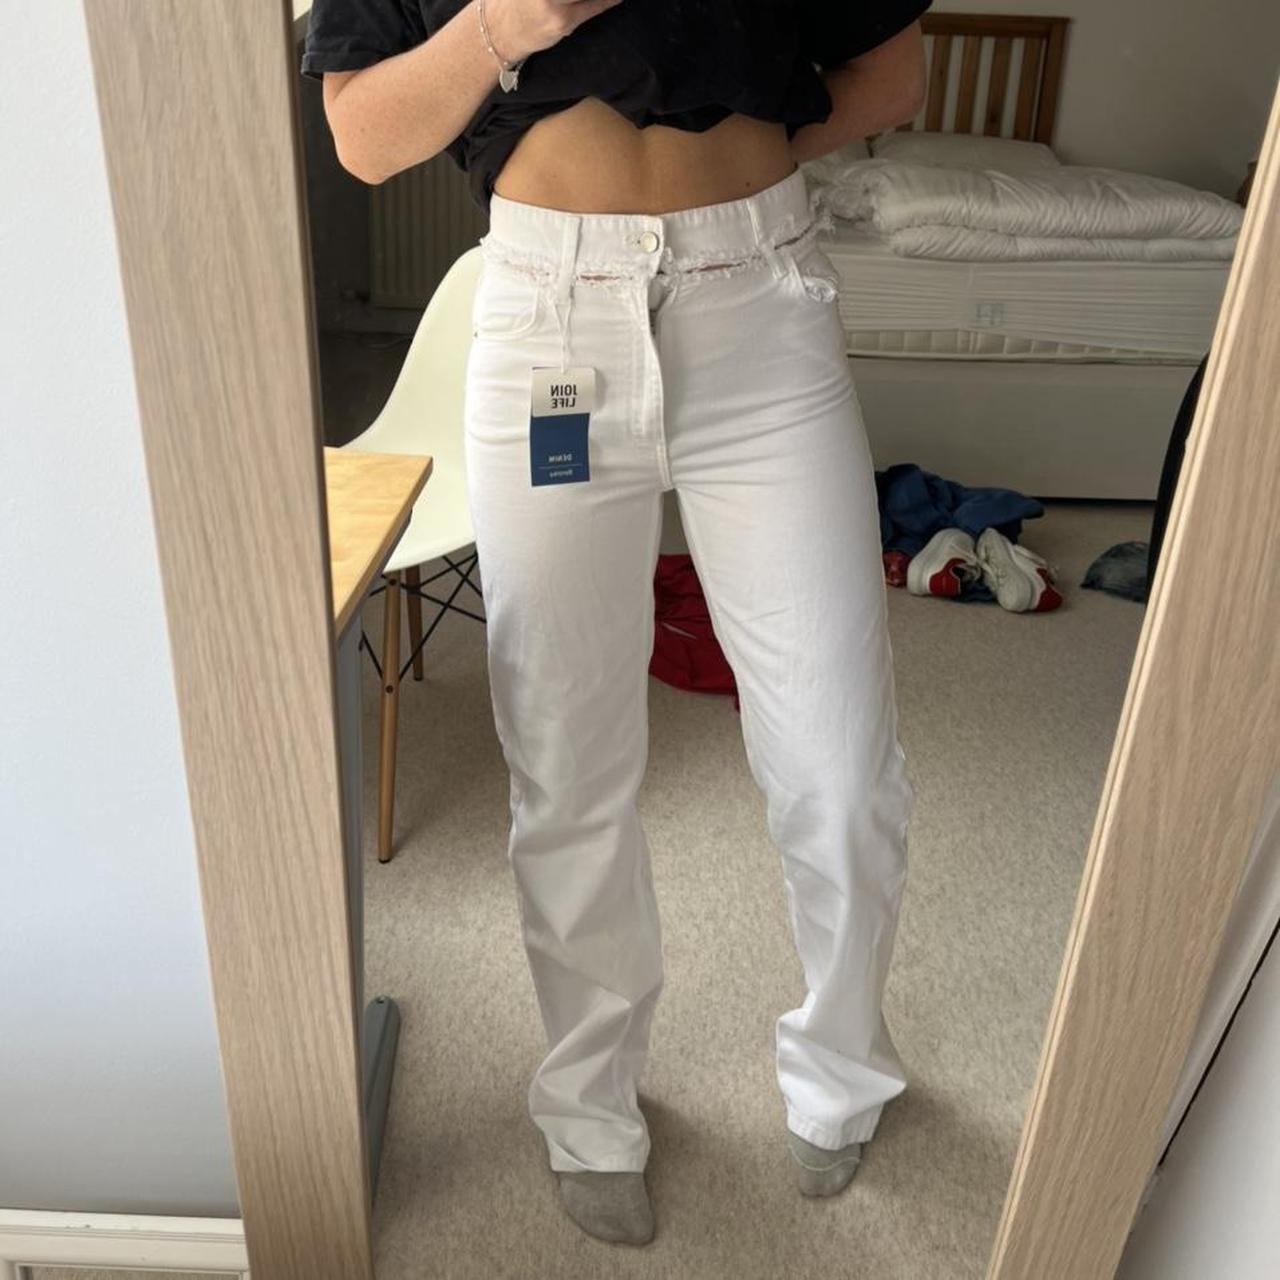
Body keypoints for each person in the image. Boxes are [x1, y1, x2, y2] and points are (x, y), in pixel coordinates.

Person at [303, 0, 927, 1246]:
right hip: (548, 313)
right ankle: (587, 1100)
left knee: (839, 756)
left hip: (760, 303)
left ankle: (841, 1061)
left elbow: (888, 72)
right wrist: (506, 24)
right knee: (565, 761)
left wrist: (737, 177)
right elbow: (363, 136)